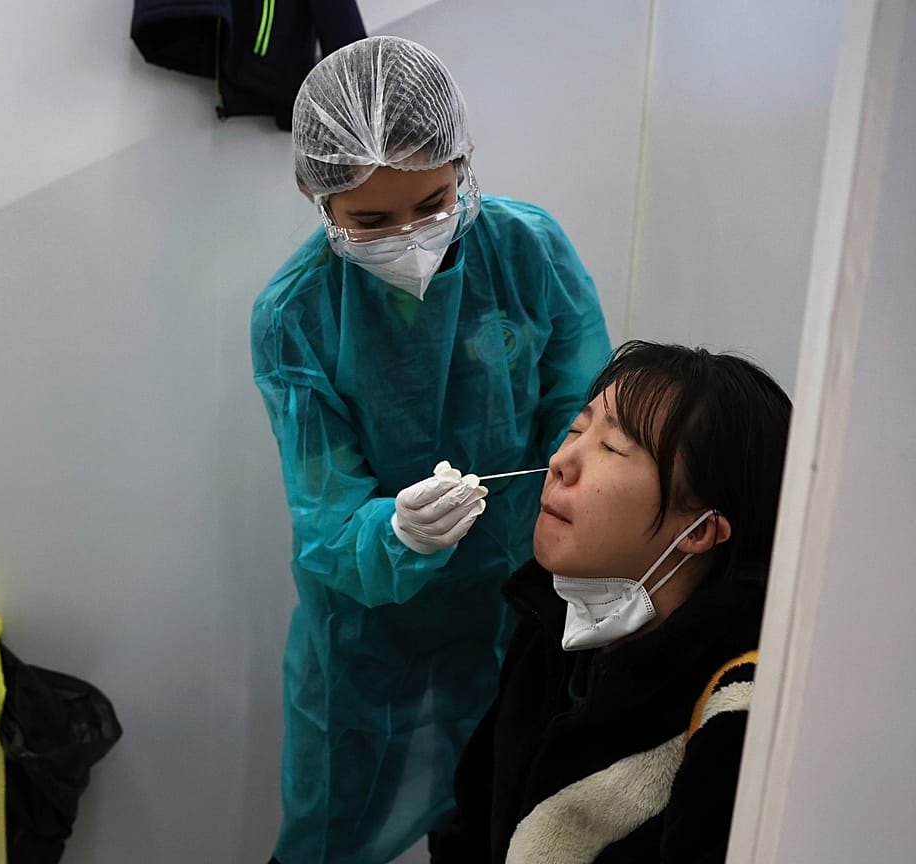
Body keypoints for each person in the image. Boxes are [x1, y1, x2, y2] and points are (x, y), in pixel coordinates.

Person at [251, 35, 612, 864]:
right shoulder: (295, 317)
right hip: (366, 640)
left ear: (464, 163)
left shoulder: (529, 252)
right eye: (370, 221)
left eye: (435, 203)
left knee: (494, 821)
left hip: (517, 605)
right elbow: (327, 513)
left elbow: (582, 418)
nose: (411, 237)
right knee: (331, 832)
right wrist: (395, 535)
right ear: (317, 196)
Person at [430, 341, 793, 863]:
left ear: (699, 530)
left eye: (613, 448)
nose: (560, 461)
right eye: (576, 431)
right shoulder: (553, 619)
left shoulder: (738, 714)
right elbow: (473, 818)